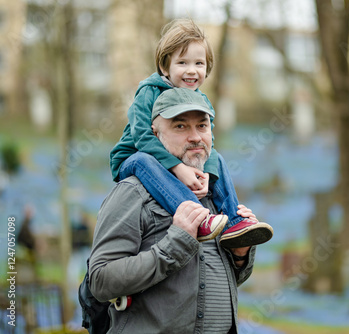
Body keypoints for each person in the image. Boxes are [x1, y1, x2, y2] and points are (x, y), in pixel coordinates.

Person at [89, 88, 257, 333]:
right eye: (180, 127)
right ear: (155, 135)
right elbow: (101, 281)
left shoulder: (213, 192)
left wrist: (240, 255)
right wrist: (176, 243)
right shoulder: (133, 192)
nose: (195, 137)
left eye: (202, 126)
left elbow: (213, 281)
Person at [109, 18, 272, 248]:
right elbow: (142, 137)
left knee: (217, 156)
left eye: (199, 63)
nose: (192, 71)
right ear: (165, 67)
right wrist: (179, 168)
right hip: (133, 158)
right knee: (142, 159)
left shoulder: (200, 99)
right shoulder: (149, 91)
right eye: (182, 63)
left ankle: (233, 221)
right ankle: (198, 216)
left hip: (169, 158)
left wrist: (203, 173)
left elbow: (207, 143)